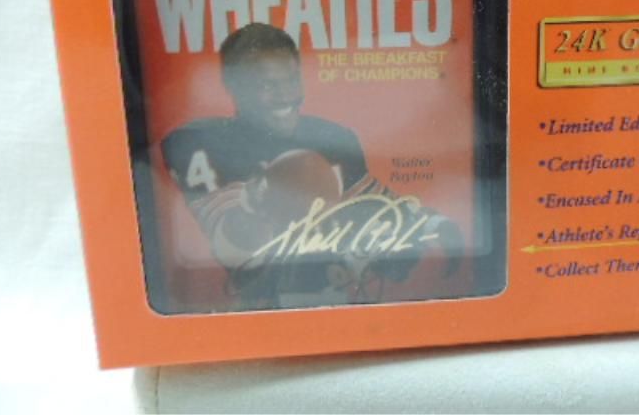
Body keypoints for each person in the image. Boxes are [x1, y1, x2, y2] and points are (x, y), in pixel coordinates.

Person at [161, 22, 454, 309]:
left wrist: (430, 224)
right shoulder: (200, 143)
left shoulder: (333, 138)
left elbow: (375, 203)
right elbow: (231, 247)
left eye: (291, 80)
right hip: (259, 311)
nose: (286, 95)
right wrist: (255, 204)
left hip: (340, 302)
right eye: (267, 84)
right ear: (235, 85)